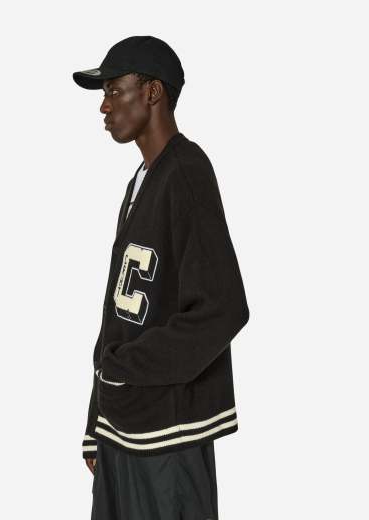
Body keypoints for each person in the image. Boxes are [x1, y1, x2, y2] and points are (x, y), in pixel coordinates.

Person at [73, 35, 250, 520]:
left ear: (152, 92)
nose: (104, 106)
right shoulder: (141, 182)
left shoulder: (187, 172)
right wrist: (98, 416)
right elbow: (121, 314)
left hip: (167, 439)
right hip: (121, 429)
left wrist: (127, 371)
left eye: (115, 90)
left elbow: (223, 308)